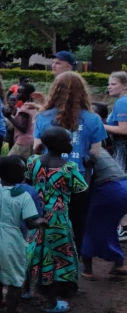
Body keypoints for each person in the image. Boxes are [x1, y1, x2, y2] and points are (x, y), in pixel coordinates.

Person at [34, 72, 106, 251]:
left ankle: (45, 261)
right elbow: (95, 154)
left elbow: (36, 147)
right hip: (78, 179)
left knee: (45, 218)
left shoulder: (43, 117)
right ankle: (71, 263)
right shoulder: (93, 119)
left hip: (47, 178)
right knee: (76, 223)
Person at [27, 127, 88, 313]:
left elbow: (29, 184)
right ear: (60, 145)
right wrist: (91, 168)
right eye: (68, 141)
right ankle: (51, 301)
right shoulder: (69, 168)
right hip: (58, 220)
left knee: (36, 251)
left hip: (35, 216)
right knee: (59, 257)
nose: (71, 144)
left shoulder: (33, 162)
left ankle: (27, 288)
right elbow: (82, 190)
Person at [0, 156, 46, 313]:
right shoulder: (23, 196)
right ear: (18, 174)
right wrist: (41, 221)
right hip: (11, 240)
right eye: (22, 170)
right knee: (16, 280)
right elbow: (30, 222)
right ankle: (11, 309)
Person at [81, 149, 127, 279]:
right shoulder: (97, 147)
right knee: (109, 228)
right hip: (124, 186)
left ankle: (87, 270)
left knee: (88, 228)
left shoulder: (81, 150)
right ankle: (119, 264)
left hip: (108, 190)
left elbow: (85, 183)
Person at [5, 84, 39, 160]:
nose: (17, 94)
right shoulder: (33, 106)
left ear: (28, 94)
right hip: (31, 140)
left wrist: (9, 117)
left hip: (23, 142)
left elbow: (23, 128)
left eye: (20, 92)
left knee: (8, 164)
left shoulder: (25, 109)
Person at [104, 71, 127, 170]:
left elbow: (124, 129)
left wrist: (99, 125)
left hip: (123, 147)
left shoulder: (122, 102)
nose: (109, 87)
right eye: (109, 84)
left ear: (125, 86)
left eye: (113, 84)